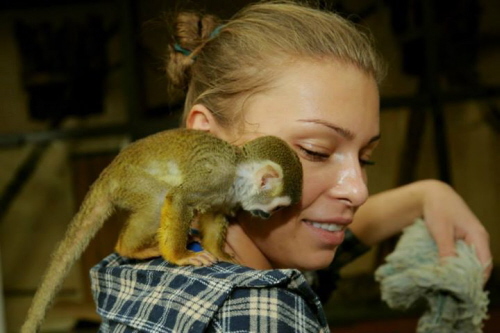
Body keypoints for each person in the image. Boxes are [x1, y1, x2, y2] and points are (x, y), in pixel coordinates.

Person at [90, 1, 492, 331]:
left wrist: (427, 195)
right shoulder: (257, 310)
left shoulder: (152, 257)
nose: (359, 190)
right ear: (206, 138)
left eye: (365, 157)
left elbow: (313, 249)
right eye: (316, 151)